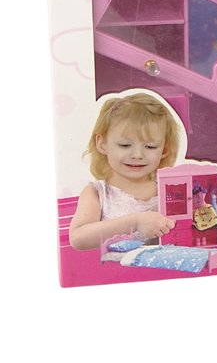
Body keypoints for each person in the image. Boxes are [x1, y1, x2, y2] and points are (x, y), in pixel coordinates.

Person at [69, 93, 180, 250]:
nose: (137, 155)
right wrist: (134, 223)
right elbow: (78, 238)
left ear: (164, 150)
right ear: (102, 144)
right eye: (125, 145)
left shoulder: (170, 190)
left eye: (150, 147)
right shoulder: (98, 193)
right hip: (115, 266)